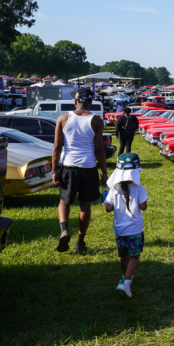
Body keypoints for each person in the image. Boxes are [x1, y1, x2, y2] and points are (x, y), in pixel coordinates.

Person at [52, 87, 108, 255]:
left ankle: (64, 230)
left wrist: (55, 170)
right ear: (90, 103)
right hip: (89, 168)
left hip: (69, 167)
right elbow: (99, 150)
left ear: (75, 102)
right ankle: (80, 242)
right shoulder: (97, 121)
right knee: (85, 206)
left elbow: (57, 146)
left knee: (64, 201)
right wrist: (104, 173)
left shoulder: (62, 118)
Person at [104, 153, 149, 299]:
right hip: (135, 229)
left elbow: (108, 209)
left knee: (123, 255)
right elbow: (144, 207)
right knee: (134, 256)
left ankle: (125, 276)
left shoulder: (113, 189)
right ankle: (126, 282)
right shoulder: (139, 188)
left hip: (119, 230)